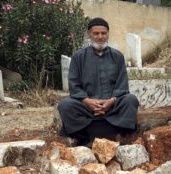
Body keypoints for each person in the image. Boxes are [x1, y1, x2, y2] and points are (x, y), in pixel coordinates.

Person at [58, 17, 139, 146]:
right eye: (96, 33)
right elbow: (74, 86)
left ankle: (122, 136)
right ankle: (84, 139)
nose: (100, 37)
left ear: (108, 34)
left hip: (112, 106)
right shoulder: (78, 57)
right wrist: (87, 101)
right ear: (89, 34)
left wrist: (111, 101)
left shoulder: (117, 56)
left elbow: (122, 85)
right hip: (86, 107)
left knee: (130, 100)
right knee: (65, 105)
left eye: (103, 33)